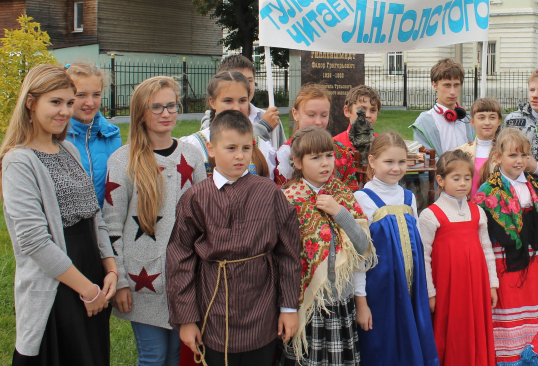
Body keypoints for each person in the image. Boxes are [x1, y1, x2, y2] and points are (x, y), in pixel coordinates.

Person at [0, 64, 117, 366]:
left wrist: (111, 268)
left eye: (68, 102)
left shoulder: (68, 150)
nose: (65, 111)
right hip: (58, 284)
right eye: (55, 102)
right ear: (31, 102)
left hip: (91, 274)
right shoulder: (19, 161)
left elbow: (94, 216)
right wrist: (87, 289)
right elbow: (35, 241)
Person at [166, 110, 301, 366]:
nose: (240, 156)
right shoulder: (196, 198)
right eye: (230, 148)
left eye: (245, 148)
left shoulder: (269, 193)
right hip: (214, 311)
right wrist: (186, 319)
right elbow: (179, 260)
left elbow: (289, 253)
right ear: (211, 149)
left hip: (261, 309)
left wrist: (288, 308)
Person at [104, 76, 207, 366]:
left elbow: (205, 212)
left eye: (171, 105)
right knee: (153, 356)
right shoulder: (122, 160)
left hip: (185, 277)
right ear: (140, 112)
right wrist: (120, 280)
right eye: (156, 107)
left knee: (175, 356)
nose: (166, 113)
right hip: (143, 278)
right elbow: (111, 225)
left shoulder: (192, 155)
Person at [279, 126, 377, 366]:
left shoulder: (343, 194)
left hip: (341, 302)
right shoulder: (289, 200)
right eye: (315, 158)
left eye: (329, 155)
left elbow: (363, 246)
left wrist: (339, 211)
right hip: (307, 306)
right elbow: (283, 259)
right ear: (297, 162)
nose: (325, 163)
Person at [354, 132, 439, 366]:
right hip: (380, 292)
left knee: (412, 345)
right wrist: (361, 302)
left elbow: (419, 246)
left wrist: (427, 289)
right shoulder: (362, 199)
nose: (396, 168)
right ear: (372, 161)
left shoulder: (408, 197)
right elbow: (358, 257)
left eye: (402, 162)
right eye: (389, 161)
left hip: (412, 290)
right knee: (384, 348)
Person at [474, 128, 538, 364]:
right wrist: (491, 280)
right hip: (503, 266)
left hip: (532, 265)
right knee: (505, 316)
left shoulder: (534, 188)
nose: (519, 161)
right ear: (498, 157)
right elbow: (483, 240)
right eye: (513, 155)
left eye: (524, 155)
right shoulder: (488, 192)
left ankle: (530, 358)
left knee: (532, 314)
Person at [419, 150, 498, 366]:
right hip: (448, 289)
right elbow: (424, 257)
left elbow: (487, 249)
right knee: (452, 332)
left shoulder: (477, 212)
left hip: (476, 287)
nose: (463, 183)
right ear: (440, 180)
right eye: (456, 178)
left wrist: (492, 284)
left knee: (475, 330)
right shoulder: (430, 215)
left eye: (467, 178)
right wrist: (430, 293)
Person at [181, 71, 276, 179]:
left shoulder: (261, 146)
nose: (236, 108)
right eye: (228, 101)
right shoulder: (195, 145)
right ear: (213, 102)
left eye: (242, 101)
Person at [275, 84, 358, 191]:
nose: (318, 122)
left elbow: (352, 191)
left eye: (324, 115)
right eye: (311, 115)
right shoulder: (284, 155)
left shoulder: (342, 153)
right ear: (295, 114)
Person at [65, 62, 122, 208]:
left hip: (107, 220)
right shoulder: (57, 137)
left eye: (96, 94)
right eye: (81, 95)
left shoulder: (112, 136)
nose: (90, 103)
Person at [200, 54, 286, 149]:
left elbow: (283, 152)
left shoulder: (271, 118)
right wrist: (264, 126)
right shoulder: (210, 122)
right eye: (239, 79)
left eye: (249, 80)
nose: (245, 85)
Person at [411, 58, 475, 158]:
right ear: (435, 85)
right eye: (447, 85)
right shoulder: (424, 123)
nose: (453, 92)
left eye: (456, 85)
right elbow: (425, 159)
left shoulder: (467, 121)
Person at [456, 97, 503, 198]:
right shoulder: (460, 152)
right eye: (481, 118)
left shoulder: (505, 152)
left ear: (499, 121)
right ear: (472, 122)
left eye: (492, 117)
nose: (487, 122)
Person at [333, 85, 381, 150]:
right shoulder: (334, 145)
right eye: (362, 109)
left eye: (373, 110)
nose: (368, 115)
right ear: (347, 111)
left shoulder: (381, 144)